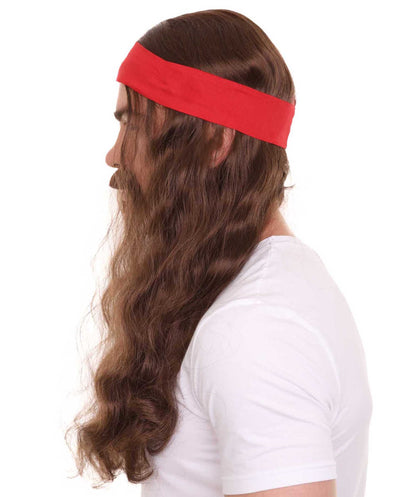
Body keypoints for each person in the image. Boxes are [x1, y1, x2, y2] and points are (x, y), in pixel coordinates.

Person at [66, 9, 372, 497]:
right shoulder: (266, 290)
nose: (115, 154)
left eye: (134, 126)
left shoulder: (256, 326)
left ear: (214, 143)